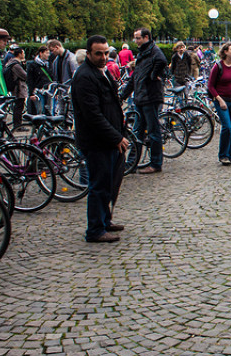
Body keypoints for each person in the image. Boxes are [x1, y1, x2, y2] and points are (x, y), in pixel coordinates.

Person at [71, 35, 129, 243]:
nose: (104, 57)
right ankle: (95, 229)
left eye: (106, 52)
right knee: (99, 186)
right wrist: (116, 137)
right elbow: (92, 115)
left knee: (109, 183)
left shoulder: (100, 72)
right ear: (88, 54)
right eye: (98, 53)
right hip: (97, 142)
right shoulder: (85, 77)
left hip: (109, 139)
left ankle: (104, 220)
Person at [120, 27, 167, 174]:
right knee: (137, 133)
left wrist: (153, 76)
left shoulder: (153, 51)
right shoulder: (143, 53)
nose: (136, 41)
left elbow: (162, 61)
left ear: (146, 37)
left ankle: (155, 163)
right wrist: (122, 96)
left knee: (153, 132)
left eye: (138, 38)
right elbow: (135, 78)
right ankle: (131, 164)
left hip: (150, 97)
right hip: (141, 97)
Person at [208, 42, 231, 165]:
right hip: (222, 101)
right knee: (227, 127)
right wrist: (219, 99)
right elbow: (210, 86)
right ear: (225, 52)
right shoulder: (218, 66)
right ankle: (223, 155)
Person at [4, 47, 28, 126]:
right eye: (23, 53)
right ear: (20, 54)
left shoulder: (11, 63)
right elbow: (25, 76)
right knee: (19, 107)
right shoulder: (16, 65)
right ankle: (18, 125)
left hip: (15, 87)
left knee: (18, 106)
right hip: (18, 88)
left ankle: (17, 124)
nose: (24, 54)